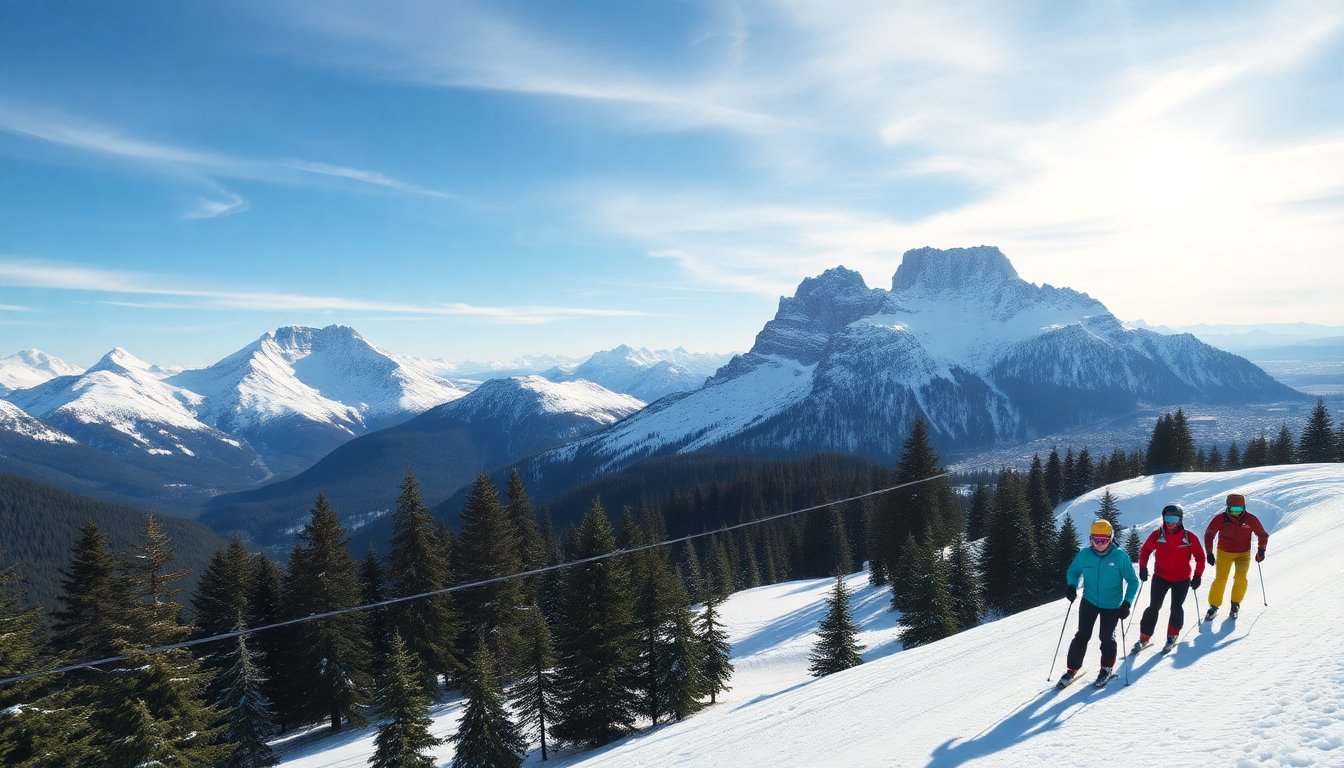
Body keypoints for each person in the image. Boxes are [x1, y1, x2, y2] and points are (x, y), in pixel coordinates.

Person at [1060, 519, 1139, 687]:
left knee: (1106, 637)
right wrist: (1072, 586)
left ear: (1111, 538)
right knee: (1082, 635)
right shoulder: (1085, 554)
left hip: (1112, 605)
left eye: (1103, 540)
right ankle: (1071, 669)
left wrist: (1127, 603)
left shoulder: (1120, 557)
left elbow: (1133, 582)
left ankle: (1106, 668)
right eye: (1095, 539)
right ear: (1090, 539)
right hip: (1089, 601)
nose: (1099, 543)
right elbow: (1073, 572)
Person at [1134, 503, 1206, 653]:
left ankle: (1172, 636)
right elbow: (1145, 550)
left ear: (1180, 520)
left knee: (1176, 607)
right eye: (1168, 518)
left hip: (1182, 579)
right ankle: (1144, 637)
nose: (1171, 523)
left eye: (1174, 518)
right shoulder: (1158, 534)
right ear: (1163, 518)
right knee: (1154, 606)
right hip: (1161, 576)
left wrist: (1197, 575)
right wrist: (1142, 566)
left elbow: (1200, 557)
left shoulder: (1188, 537)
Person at [1203, 493, 1269, 620]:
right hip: (1224, 552)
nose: (1236, 512)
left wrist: (1261, 550)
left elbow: (1262, 534)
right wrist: (1209, 552)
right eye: (1233, 509)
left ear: (1244, 507)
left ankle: (1235, 604)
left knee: (1241, 578)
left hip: (1243, 554)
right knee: (1221, 579)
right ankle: (1213, 607)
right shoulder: (1220, 518)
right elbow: (1209, 534)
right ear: (1227, 507)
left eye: (1239, 509)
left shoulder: (1251, 519)